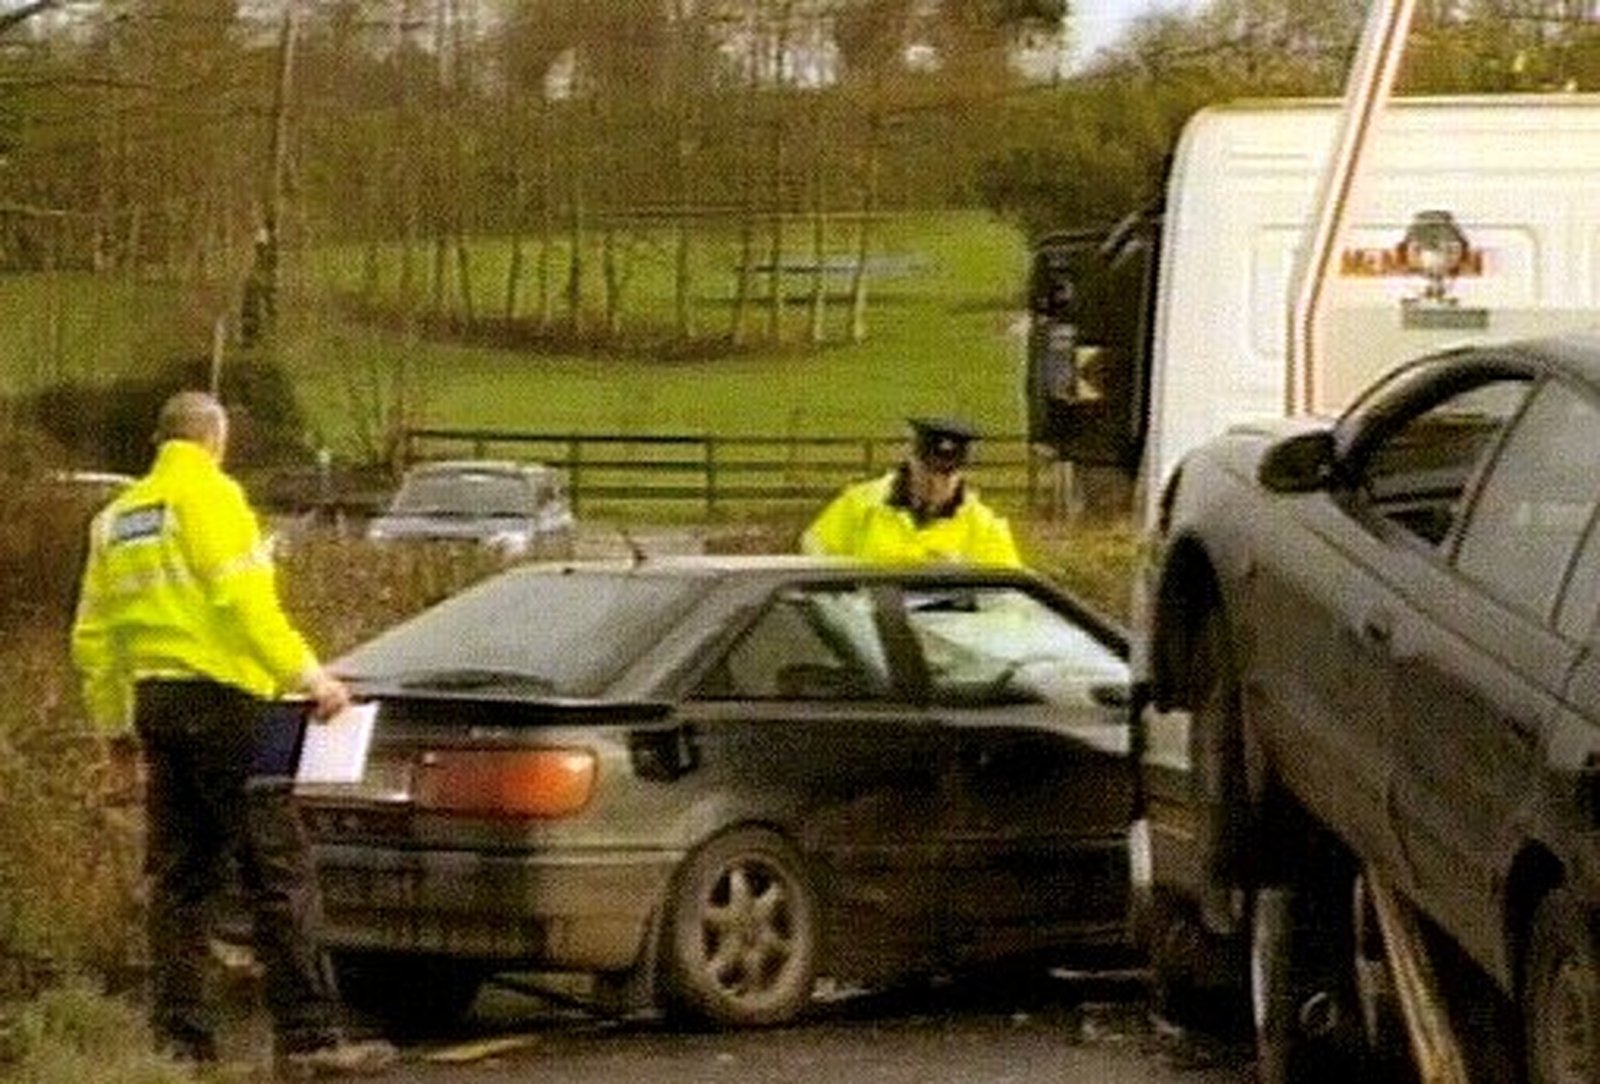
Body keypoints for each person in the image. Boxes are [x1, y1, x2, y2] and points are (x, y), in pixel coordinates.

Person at [70, 391, 396, 1076]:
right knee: (278, 873)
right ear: (214, 440)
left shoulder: (116, 519)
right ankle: (309, 1040)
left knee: (181, 884)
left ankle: (181, 1045)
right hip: (231, 709)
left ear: (160, 442)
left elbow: (93, 640)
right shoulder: (212, 498)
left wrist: (115, 736)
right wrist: (312, 678)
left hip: (157, 704)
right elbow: (246, 604)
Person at [801, 417, 1022, 567]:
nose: (936, 483)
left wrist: (961, 581)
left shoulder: (984, 526)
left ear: (961, 473)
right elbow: (813, 556)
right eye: (927, 472)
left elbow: (1007, 601)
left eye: (946, 475)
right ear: (912, 462)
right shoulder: (861, 504)